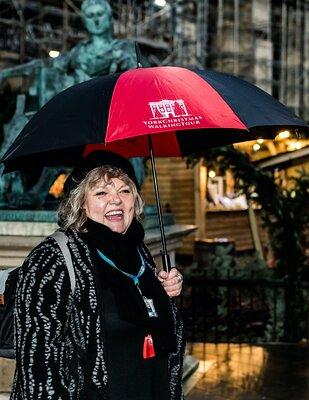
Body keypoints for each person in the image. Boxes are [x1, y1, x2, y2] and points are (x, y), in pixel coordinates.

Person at [10, 151, 185, 400]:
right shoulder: (52, 258)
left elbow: (157, 328)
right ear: (81, 202)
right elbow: (38, 363)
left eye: (124, 191)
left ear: (135, 200)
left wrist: (165, 292)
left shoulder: (139, 251)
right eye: (101, 193)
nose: (116, 200)